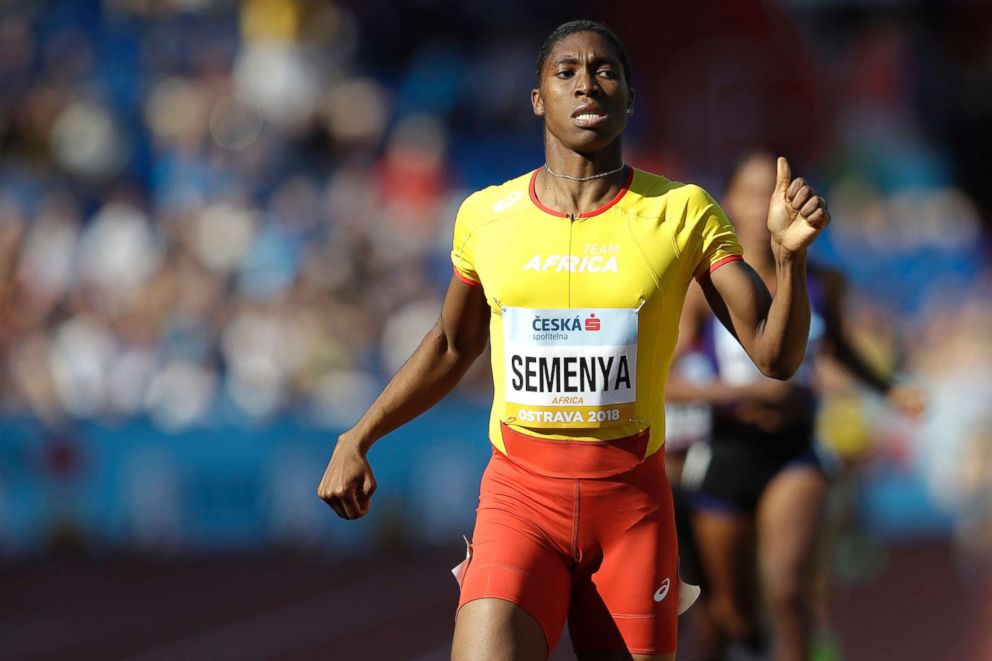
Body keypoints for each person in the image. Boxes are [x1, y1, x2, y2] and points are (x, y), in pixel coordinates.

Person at [317, 21, 830, 661]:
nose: (586, 82)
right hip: (519, 499)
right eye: (566, 72)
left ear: (629, 97)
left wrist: (790, 261)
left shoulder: (683, 211)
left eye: (605, 70)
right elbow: (453, 343)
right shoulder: (486, 216)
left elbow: (775, 357)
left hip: (631, 510)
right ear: (538, 97)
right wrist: (358, 435)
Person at [665, 152, 923, 661]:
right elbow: (664, 381)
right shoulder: (704, 286)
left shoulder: (822, 284)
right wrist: (744, 392)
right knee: (729, 615)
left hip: (793, 449)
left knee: (788, 591)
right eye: (752, 191)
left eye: (775, 191)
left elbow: (841, 348)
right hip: (724, 450)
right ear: (730, 204)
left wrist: (887, 387)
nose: (765, 203)